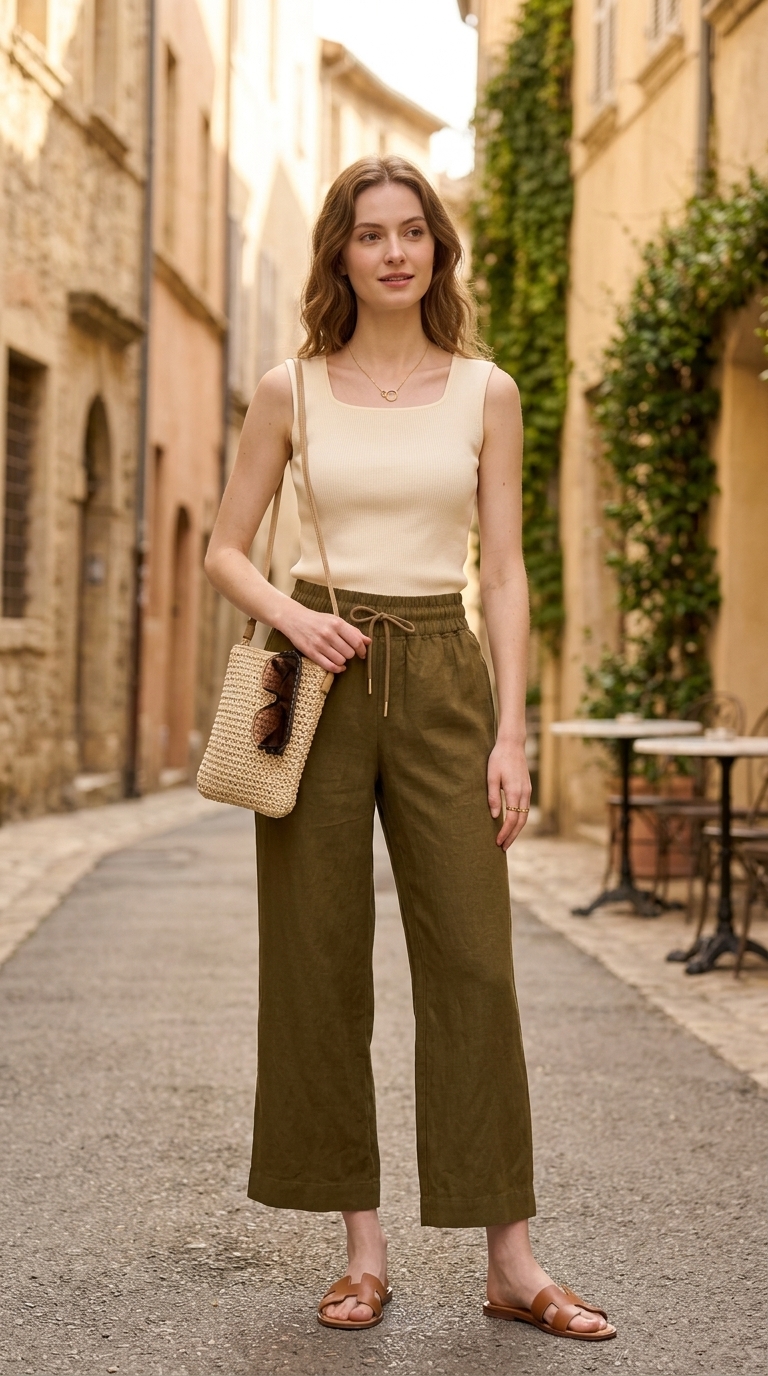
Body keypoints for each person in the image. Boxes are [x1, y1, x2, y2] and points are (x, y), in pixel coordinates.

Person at [204, 155, 615, 1343]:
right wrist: (294, 617)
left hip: (443, 671)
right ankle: (361, 1250)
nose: (393, 252)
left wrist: (515, 727)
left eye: (413, 232)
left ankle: (511, 1259)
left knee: (476, 966)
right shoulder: (291, 386)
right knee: (318, 964)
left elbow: (507, 570)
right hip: (316, 670)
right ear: (339, 253)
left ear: (438, 249)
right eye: (369, 234)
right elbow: (225, 547)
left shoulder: (489, 389)